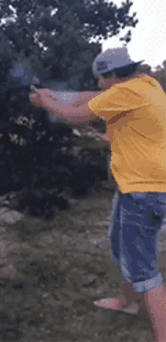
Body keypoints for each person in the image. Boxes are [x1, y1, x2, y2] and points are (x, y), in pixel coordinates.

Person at [29, 47, 166, 342]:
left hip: (144, 190)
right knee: (119, 243)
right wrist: (53, 93)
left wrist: (46, 103)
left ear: (114, 76)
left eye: (102, 79)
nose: (99, 84)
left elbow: (76, 113)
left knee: (143, 269)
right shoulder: (145, 86)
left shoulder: (125, 92)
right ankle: (128, 304)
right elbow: (88, 99)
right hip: (135, 186)